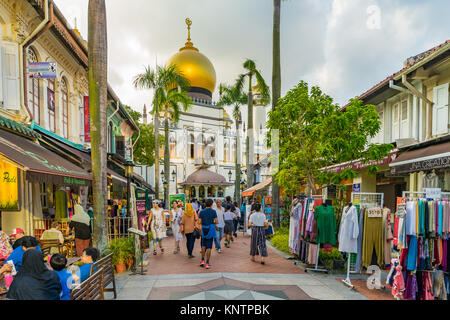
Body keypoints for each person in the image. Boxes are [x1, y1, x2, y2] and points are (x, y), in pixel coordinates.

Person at [198, 199, 218, 269]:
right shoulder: (213, 211)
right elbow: (216, 221)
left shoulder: (201, 212)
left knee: (203, 245)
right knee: (209, 246)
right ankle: (207, 263)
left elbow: (199, 222)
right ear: (211, 204)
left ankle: (202, 260)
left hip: (204, 228)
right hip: (211, 228)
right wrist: (213, 222)